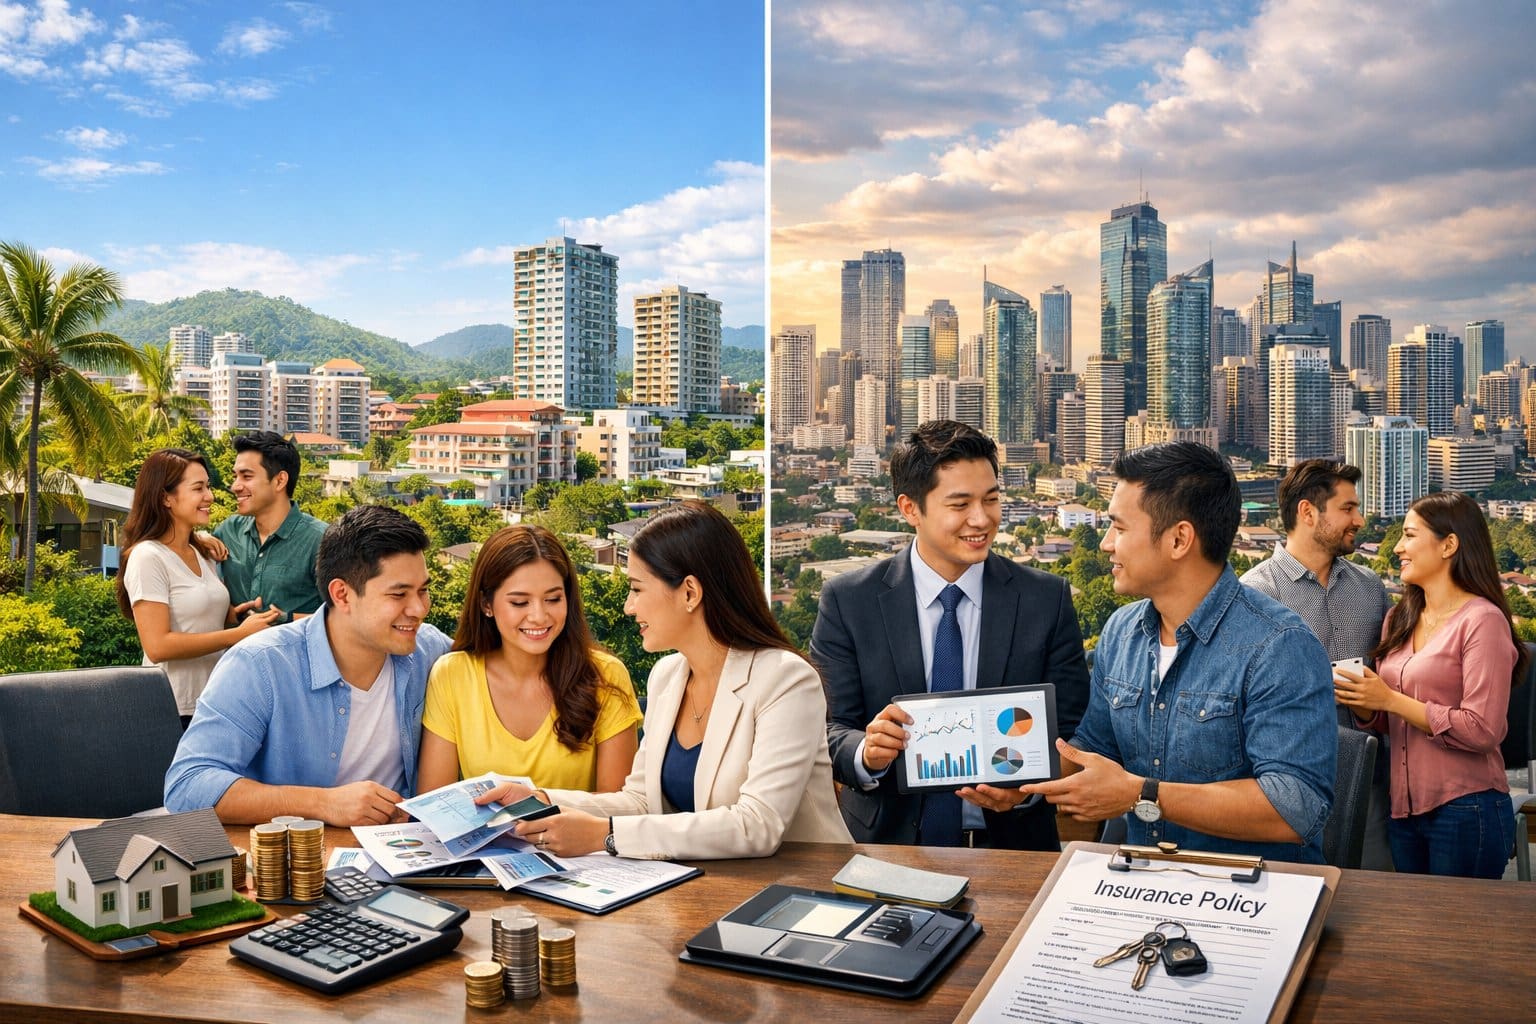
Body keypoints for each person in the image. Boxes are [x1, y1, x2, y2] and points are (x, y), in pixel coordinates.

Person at [476, 500, 851, 859]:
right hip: (710, 894)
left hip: (805, 895)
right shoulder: (667, 677)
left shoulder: (786, 680)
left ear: (689, 592)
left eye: (637, 589)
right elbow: (640, 801)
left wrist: (603, 834)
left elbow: (757, 825)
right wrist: (540, 799)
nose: (629, 605)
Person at [1025, 441, 1336, 863]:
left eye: (1119, 528)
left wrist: (1143, 794)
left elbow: (1294, 807)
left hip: (1249, 895)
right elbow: (1094, 749)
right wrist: (1017, 785)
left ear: (1179, 539)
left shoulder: (1279, 646)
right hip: (1144, 881)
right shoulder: (1122, 632)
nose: (1105, 544)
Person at [811, 420, 1090, 849]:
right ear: (910, 509)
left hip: (1014, 850)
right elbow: (829, 730)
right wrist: (866, 751)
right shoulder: (850, 601)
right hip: (887, 849)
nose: (981, 519)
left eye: (991, 500)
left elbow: (1073, 732)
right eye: (960, 504)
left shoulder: (1045, 599)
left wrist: (1024, 790)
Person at [164, 504, 452, 826]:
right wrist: (321, 803)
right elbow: (187, 786)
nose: (419, 608)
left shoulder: (431, 651)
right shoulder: (261, 664)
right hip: (298, 862)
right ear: (341, 594)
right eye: (399, 595)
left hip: (405, 857)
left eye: (423, 591)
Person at [1335, 491, 1524, 879]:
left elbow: (1483, 729)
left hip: (1466, 809)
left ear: (1449, 544)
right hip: (1403, 812)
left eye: (1409, 535)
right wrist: (1367, 704)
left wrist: (1390, 699)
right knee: (1418, 935)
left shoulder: (1483, 621)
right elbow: (1395, 723)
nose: (1398, 547)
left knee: (1459, 936)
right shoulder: (1398, 620)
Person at [1242, 458, 1395, 870]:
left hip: (1370, 787)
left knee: (1376, 905)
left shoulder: (1370, 589)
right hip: (1286, 789)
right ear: (1308, 512)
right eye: (1347, 508)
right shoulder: (1256, 594)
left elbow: (1391, 680)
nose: (1359, 520)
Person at [417, 525, 641, 793]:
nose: (539, 616)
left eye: (553, 599)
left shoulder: (605, 675)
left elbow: (619, 807)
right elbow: (435, 802)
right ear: (486, 604)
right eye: (520, 603)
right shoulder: (452, 675)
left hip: (578, 837)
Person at [115, 448, 281, 728]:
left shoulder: (203, 552)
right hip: (173, 706)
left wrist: (234, 615)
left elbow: (198, 618)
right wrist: (235, 635)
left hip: (216, 700)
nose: (210, 496)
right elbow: (157, 645)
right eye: (198, 488)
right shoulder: (147, 557)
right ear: (166, 497)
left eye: (208, 486)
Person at [211, 431, 328, 624]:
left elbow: (346, 615)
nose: (235, 486)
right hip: (234, 653)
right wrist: (199, 538)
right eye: (235, 476)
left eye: (246, 476)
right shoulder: (228, 531)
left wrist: (284, 619)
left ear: (280, 480)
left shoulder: (321, 540)